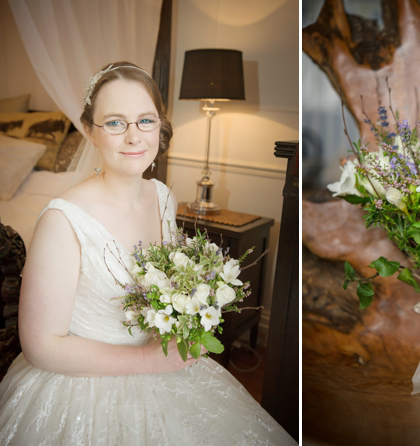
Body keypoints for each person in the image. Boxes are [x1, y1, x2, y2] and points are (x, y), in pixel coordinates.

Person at [0, 62, 296, 445]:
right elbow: (42, 346)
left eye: (145, 120)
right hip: (82, 388)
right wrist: (146, 361)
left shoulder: (164, 197)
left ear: (160, 125)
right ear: (90, 130)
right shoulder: (62, 221)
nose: (133, 137)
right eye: (115, 123)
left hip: (166, 365)